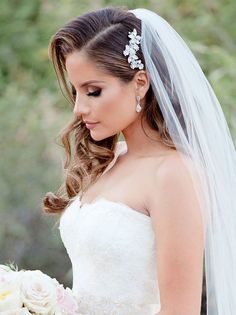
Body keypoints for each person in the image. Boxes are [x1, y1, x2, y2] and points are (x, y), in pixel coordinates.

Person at [43, 6, 236, 315]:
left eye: (93, 91)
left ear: (140, 83)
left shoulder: (173, 174)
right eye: (76, 91)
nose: (78, 108)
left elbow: (180, 311)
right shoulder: (109, 160)